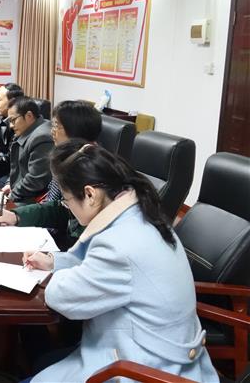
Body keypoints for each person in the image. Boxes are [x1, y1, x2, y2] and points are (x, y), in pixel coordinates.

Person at [22, 140, 218, 383]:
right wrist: (54, 262)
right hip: (168, 350)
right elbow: (97, 265)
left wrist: (56, 275)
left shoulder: (118, 245)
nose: (68, 208)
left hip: (143, 368)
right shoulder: (140, 214)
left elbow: (61, 297)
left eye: (67, 200)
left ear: (90, 194)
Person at [0, 100, 102, 250]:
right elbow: (61, 208)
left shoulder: (89, 168)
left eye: (56, 126)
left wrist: (55, 257)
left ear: (76, 130)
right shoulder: (69, 157)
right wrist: (16, 216)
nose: (52, 131)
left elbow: (82, 236)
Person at [1, 97, 53, 203]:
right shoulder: (27, 130)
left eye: (13, 120)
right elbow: (16, 166)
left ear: (29, 116)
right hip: (22, 192)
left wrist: (12, 196)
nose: (11, 126)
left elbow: (36, 179)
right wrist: (9, 184)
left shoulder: (42, 137)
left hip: (33, 199)